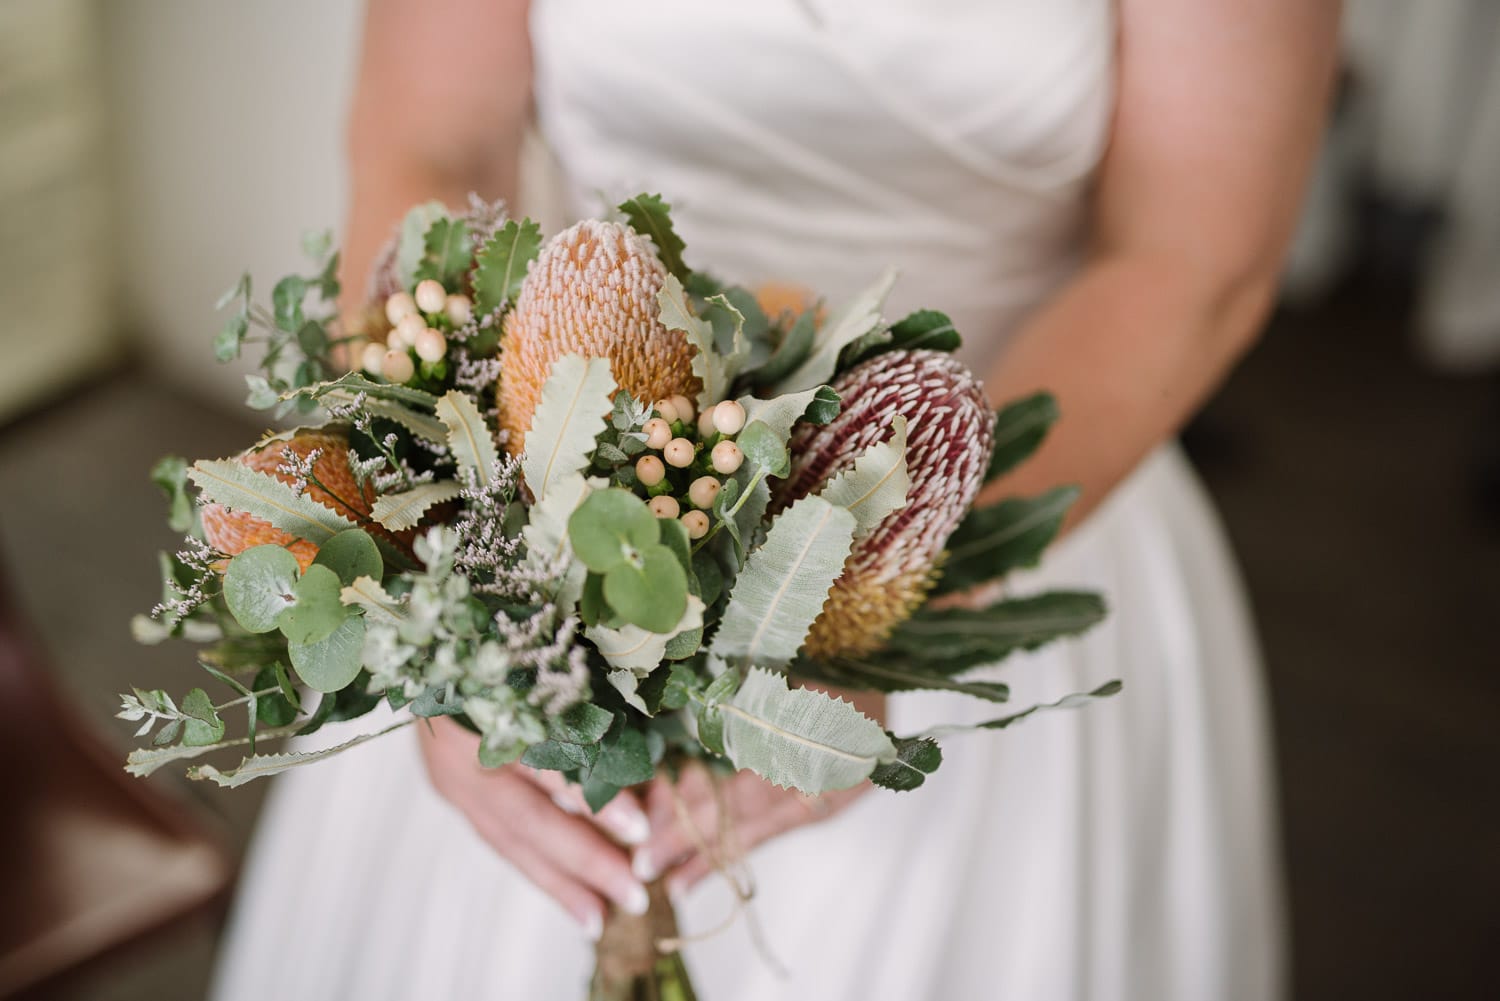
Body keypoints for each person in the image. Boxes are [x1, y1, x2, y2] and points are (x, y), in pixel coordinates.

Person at [212, 1, 1340, 998]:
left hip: (1004, 489)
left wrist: (866, 601)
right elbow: (428, 139)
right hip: (557, 494)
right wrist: (452, 600)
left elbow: (1194, 257)